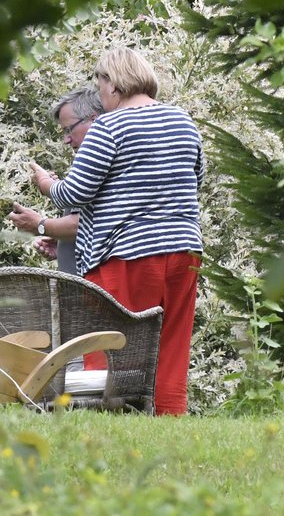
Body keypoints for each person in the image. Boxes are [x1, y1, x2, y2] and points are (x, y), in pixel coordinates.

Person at [29, 47, 205, 416]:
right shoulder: (182, 120)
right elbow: (196, 179)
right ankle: (170, 415)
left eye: (101, 83)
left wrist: (44, 183)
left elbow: (73, 193)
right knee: (170, 344)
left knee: (111, 345)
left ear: (113, 82)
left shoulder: (110, 127)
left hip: (127, 255)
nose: (102, 93)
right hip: (185, 249)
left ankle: (113, 419)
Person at [8, 88, 103, 274]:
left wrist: (40, 225)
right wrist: (63, 244)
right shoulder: (87, 162)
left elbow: (81, 225)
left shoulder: (100, 162)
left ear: (94, 119)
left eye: (69, 129)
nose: (66, 140)